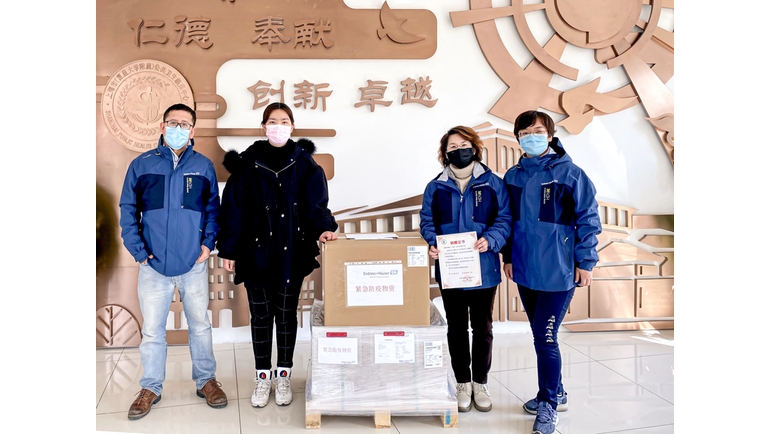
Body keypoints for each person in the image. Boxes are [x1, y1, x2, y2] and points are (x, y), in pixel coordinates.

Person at [216, 102, 338, 408]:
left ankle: (283, 375)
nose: (278, 126)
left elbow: (316, 205)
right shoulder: (246, 164)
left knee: (285, 316)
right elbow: (232, 210)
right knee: (260, 317)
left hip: (291, 253)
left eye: (284, 121)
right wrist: (229, 248)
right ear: (263, 126)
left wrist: (324, 228)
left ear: (292, 127)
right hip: (254, 252)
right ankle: (262, 377)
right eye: (272, 121)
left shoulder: (305, 164)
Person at [119, 103, 227, 420]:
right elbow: (128, 210)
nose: (178, 128)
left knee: (200, 325)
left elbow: (212, 209)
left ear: (193, 131)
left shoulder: (203, 166)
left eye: (184, 124)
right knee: (153, 331)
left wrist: (208, 245)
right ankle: (150, 387)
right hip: (153, 266)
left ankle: (206, 381)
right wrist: (139, 252)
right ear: (162, 126)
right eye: (173, 122)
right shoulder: (142, 165)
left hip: (194, 264)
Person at [502, 110, 602, 434]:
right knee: (539, 335)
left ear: (550, 134)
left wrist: (586, 262)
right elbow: (507, 221)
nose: (531, 137)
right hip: (525, 270)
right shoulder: (512, 177)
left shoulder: (570, 174)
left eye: (537, 131)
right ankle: (557, 391)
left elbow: (589, 219)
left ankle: (548, 404)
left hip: (559, 271)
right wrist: (507, 257)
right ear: (518, 138)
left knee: (546, 339)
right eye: (524, 132)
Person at [418, 126, 511, 413]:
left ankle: (480, 382)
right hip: (451, 270)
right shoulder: (435, 187)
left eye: (464, 145)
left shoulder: (493, 183)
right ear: (445, 153)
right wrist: (433, 242)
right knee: (457, 328)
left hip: (484, 270)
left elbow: (505, 219)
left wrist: (491, 239)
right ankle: (462, 382)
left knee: (482, 328)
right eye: (452, 147)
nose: (459, 150)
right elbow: (427, 222)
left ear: (474, 147)